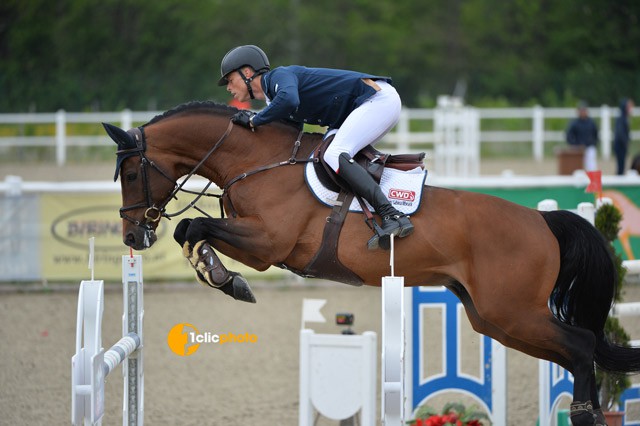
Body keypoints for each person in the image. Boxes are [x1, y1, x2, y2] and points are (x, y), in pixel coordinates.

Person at [217, 45, 413, 250]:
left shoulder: (279, 76)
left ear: (247, 73)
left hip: (377, 100)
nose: (229, 88)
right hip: (361, 108)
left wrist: (254, 119)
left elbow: (289, 100)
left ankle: (392, 214)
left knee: (334, 154)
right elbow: (286, 134)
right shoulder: (274, 98)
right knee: (323, 156)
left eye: (230, 80)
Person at [565, 101, 599, 171]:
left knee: (591, 167)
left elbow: (596, 134)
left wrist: (594, 143)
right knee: (578, 168)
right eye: (581, 110)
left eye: (584, 110)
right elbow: (569, 135)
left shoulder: (591, 123)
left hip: (589, 147)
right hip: (578, 150)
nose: (583, 112)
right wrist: (574, 145)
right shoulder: (574, 123)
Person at [613, 98, 634, 175]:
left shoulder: (624, 117)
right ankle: (619, 180)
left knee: (622, 165)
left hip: (621, 145)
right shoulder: (621, 118)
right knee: (620, 165)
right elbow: (620, 133)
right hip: (620, 145)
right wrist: (626, 142)